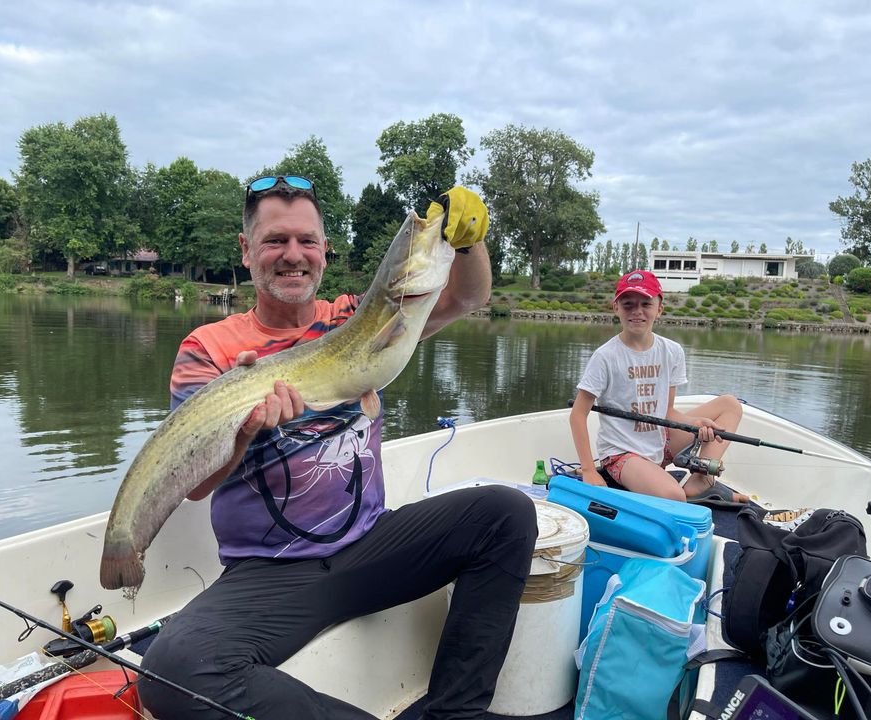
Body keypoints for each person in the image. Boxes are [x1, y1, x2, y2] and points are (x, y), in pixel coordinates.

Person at [138, 176, 538, 719]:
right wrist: (246, 427)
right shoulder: (208, 349)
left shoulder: (358, 316)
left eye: (306, 240)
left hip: (371, 543)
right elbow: (194, 487)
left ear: (325, 249)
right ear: (246, 249)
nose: (292, 255)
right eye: (275, 240)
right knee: (171, 671)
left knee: (505, 513)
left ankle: (455, 712)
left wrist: (467, 240)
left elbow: (470, 296)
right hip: (270, 571)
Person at [568, 269, 749, 506]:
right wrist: (589, 471)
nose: (637, 311)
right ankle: (673, 486)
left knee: (729, 405)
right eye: (628, 304)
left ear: (659, 309)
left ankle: (700, 481)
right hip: (622, 453)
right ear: (616, 308)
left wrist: (694, 424)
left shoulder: (672, 351)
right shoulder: (605, 357)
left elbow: (668, 413)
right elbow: (578, 415)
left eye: (646, 303)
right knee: (674, 496)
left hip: (659, 440)